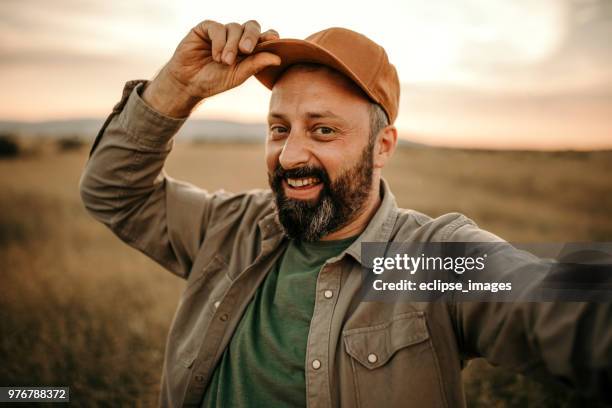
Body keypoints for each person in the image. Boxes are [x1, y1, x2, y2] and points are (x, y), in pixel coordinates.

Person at [79, 19, 612, 407]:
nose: (290, 156)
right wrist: (174, 88)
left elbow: (566, 309)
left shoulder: (423, 260)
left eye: (323, 129)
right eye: (279, 128)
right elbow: (112, 194)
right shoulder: (233, 228)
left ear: (382, 147)